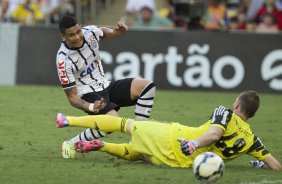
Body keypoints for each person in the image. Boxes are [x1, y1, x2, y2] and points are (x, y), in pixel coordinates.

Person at [55, 91, 281, 170]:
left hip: (175, 139)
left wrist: (193, 143)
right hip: (177, 163)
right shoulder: (253, 140)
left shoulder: (226, 113)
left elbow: (214, 134)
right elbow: (276, 166)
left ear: (238, 106)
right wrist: (260, 162)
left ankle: (68, 120)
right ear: (252, 114)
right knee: (138, 153)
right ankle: (102, 146)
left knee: (124, 124)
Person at [56, 15, 156, 159]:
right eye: (71, 35)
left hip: (106, 85)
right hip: (87, 93)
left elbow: (102, 32)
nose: (77, 37)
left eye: (78, 31)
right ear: (63, 37)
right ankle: (71, 143)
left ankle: (139, 142)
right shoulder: (63, 60)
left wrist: (115, 33)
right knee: (113, 121)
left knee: (146, 86)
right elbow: (72, 98)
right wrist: (91, 107)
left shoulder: (90, 32)